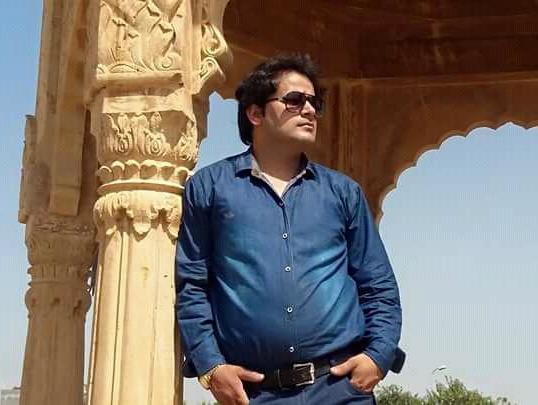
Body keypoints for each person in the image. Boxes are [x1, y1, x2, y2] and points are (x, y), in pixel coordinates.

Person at [175, 54, 402, 405]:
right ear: (255, 113)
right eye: (295, 100)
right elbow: (192, 285)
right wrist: (210, 366)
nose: (309, 110)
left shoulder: (342, 193)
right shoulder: (211, 188)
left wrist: (378, 355)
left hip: (339, 389)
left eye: (315, 102)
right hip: (254, 394)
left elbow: (377, 284)